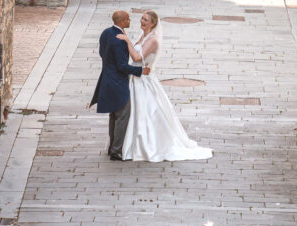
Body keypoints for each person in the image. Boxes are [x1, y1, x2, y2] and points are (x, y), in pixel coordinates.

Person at [117, 10, 212, 163]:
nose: (142, 21)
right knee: (134, 113)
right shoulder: (144, 35)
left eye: (146, 20)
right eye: (142, 18)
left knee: (146, 113)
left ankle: (148, 145)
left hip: (144, 81)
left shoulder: (153, 40)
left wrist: (127, 41)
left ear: (153, 23)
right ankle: (129, 144)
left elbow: (136, 57)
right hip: (135, 78)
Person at [90, 10, 150, 161]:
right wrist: (140, 70)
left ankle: (112, 147)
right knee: (123, 116)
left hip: (106, 79)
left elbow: (102, 53)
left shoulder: (105, 33)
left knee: (113, 115)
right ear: (122, 21)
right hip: (117, 83)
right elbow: (122, 66)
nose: (130, 21)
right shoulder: (119, 40)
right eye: (128, 19)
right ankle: (117, 151)